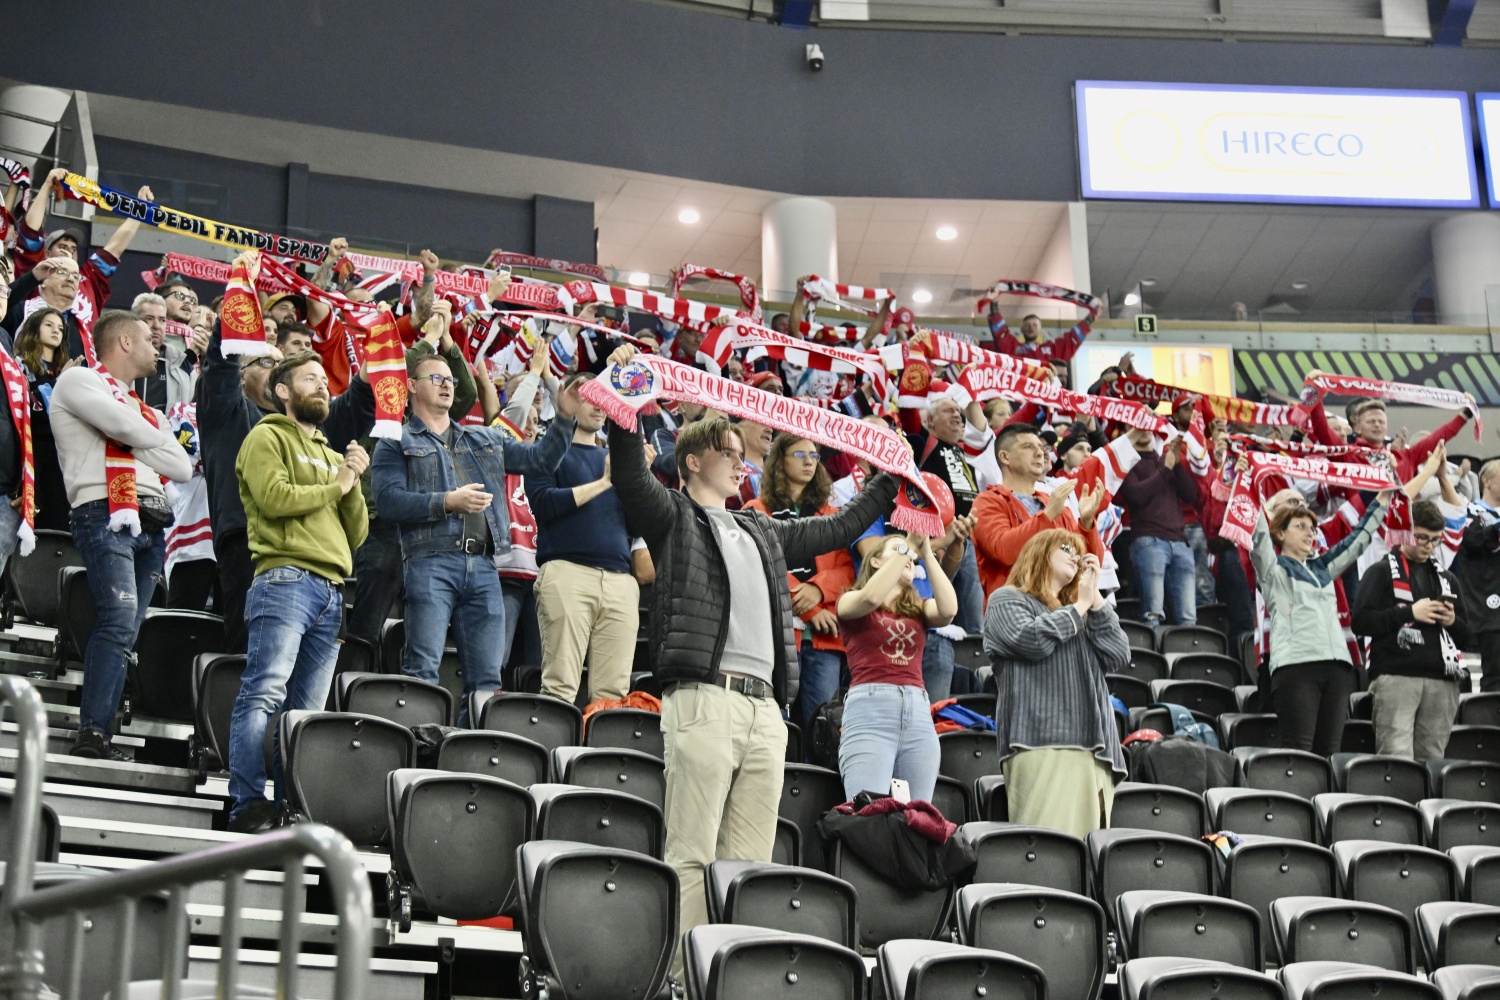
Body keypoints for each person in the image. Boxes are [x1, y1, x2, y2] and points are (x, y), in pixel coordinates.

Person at [603, 343, 900, 974]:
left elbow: (838, 527)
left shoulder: (762, 527)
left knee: (749, 864)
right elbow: (629, 474)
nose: (742, 462)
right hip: (704, 699)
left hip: (766, 711)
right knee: (692, 854)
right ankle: (686, 979)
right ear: (691, 461)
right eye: (728, 452)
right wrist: (626, 400)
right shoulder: (672, 513)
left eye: (744, 454)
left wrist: (888, 477)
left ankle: (733, 977)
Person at [371, 353, 579, 722]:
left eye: (450, 379)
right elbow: (387, 502)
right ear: (411, 386)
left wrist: (564, 417)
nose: (447, 384)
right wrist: (447, 502)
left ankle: (470, 751)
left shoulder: (484, 438)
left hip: (484, 565)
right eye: (436, 378)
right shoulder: (395, 439)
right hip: (429, 561)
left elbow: (540, 461)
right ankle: (416, 746)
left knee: (487, 678)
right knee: (422, 667)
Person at [197, 252, 374, 653]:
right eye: (266, 362)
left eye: (285, 366)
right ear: (243, 374)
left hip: (318, 558)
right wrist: (240, 292)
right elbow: (221, 363)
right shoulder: (227, 411)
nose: (280, 370)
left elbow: (356, 404)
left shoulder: (311, 428)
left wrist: (379, 354)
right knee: (255, 665)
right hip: (251, 549)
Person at [226, 351, 369, 832]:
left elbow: (357, 534)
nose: (323, 386)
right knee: (264, 691)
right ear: (283, 391)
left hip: (333, 589)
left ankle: (287, 807)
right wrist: (339, 483)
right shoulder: (265, 436)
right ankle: (247, 802)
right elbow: (275, 499)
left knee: (305, 714)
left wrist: (352, 481)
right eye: (310, 378)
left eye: (324, 379)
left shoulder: (331, 454)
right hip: (284, 578)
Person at [51, 311, 192, 758]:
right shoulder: (78, 381)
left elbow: (182, 467)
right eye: (149, 339)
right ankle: (92, 732)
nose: (157, 347)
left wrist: (132, 432)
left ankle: (102, 732)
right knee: (118, 615)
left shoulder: (146, 409)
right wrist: (144, 437)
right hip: (103, 511)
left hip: (153, 522)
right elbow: (124, 428)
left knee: (128, 628)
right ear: (125, 343)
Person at [984, 529, 1130, 839]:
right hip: (1041, 741)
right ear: (1037, 552)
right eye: (1065, 547)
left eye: (1078, 551)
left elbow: (1119, 654)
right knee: (1047, 852)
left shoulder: (1084, 611)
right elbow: (1031, 640)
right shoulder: (1006, 600)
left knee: (1087, 858)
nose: (1074, 556)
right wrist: (1079, 606)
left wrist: (1095, 599)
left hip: (1098, 750)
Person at [1251, 476, 1393, 755]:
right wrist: (1250, 487)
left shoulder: (1323, 567)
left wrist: (1382, 500)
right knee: (1300, 751)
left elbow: (1358, 540)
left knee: (1329, 752)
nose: (1309, 533)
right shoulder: (1272, 570)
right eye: (1300, 526)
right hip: (1296, 667)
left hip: (1337, 668)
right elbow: (1258, 537)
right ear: (1280, 534)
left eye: (1312, 528)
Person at [528, 372, 638, 706]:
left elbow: (636, 526)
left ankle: (598, 745)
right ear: (569, 398)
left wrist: (640, 482)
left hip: (620, 581)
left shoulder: (617, 463)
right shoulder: (546, 452)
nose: (599, 405)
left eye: (604, 398)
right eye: (590, 396)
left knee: (613, 699)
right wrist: (603, 483)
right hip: (567, 572)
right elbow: (543, 503)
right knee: (560, 688)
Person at [746, 433, 856, 736]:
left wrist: (818, 590)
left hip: (824, 639)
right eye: (799, 455)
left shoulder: (833, 514)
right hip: (776, 636)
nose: (809, 462)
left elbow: (846, 570)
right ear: (780, 460)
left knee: (821, 730)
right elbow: (763, 562)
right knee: (773, 726)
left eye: (814, 455)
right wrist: (809, 609)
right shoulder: (756, 509)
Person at [836, 531, 956, 802]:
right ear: (876, 561)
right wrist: (908, 545)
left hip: (918, 712)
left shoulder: (920, 607)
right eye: (897, 549)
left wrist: (926, 553)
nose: (908, 556)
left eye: (911, 555)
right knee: (867, 814)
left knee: (918, 815)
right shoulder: (851, 600)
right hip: (870, 713)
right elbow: (870, 598)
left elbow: (948, 611)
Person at [1352, 500, 1469, 762]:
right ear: (1406, 531)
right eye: (1422, 537)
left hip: (1442, 679)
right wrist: (1409, 613)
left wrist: (1451, 621)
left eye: (1435, 540)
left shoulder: (1447, 579)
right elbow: (1360, 622)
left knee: (1433, 761)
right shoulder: (1381, 571)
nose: (1429, 546)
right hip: (1396, 675)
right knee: (1396, 759)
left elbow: (1467, 637)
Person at [972, 422, 1106, 601]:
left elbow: (1088, 565)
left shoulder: (1055, 504)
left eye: (1042, 448)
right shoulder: (988, 501)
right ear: (1005, 457)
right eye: (1028, 447)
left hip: (1061, 608)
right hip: (1014, 609)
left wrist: (1086, 524)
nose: (1040, 453)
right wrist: (1047, 516)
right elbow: (1003, 551)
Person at [1116, 431, 1199, 628]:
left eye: (1148, 426)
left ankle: (1186, 649)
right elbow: (1136, 495)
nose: (1144, 430)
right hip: (1148, 541)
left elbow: (1191, 495)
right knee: (1153, 614)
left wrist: (1175, 464)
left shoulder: (1166, 460)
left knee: (1189, 618)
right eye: (1137, 426)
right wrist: (1165, 468)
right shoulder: (1126, 462)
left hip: (1180, 542)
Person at [12, 307, 76, 532]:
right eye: (49, 325)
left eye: (60, 328)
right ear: (33, 329)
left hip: (63, 453)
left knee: (58, 517)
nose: (56, 331)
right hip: (32, 451)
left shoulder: (68, 369)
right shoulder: (19, 366)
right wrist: (61, 383)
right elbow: (30, 408)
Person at [1457, 461, 1500, 692]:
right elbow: (1474, 540)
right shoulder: (1470, 511)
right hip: (1489, 608)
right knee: (1495, 678)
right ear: (1486, 481)